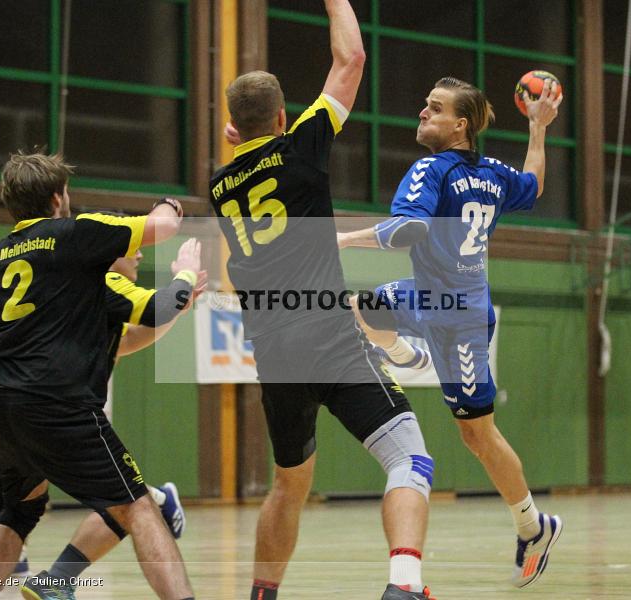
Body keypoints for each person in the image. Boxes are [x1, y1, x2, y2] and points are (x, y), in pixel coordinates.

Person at [211, 2, 434, 599]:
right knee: (410, 459)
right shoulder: (302, 146)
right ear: (286, 115)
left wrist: (250, 135)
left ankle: (262, 596)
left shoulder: (219, 186)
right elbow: (351, 58)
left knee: (288, 484)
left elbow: (250, 154)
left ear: (233, 126)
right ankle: (405, 585)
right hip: (330, 339)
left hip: (275, 355)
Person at [336, 76, 564, 588]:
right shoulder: (492, 173)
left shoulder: (430, 170)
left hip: (459, 322)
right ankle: (407, 356)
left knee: (476, 434)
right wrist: (537, 129)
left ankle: (533, 526)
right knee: (367, 305)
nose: (422, 112)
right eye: (425, 103)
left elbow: (407, 230)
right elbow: (533, 183)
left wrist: (345, 237)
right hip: (429, 298)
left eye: (434, 108)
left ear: (460, 125)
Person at [0, 243, 205, 600]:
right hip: (61, 416)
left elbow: (129, 339)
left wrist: (177, 304)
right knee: (132, 504)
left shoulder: (61, 284)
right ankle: (58, 579)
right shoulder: (105, 281)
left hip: (10, 412)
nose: (140, 255)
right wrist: (184, 277)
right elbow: (156, 309)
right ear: (108, 252)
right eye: (133, 247)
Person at [0, 151, 195, 600]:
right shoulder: (77, 235)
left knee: (17, 511)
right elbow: (163, 228)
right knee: (140, 507)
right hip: (58, 402)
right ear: (58, 198)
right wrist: (173, 210)